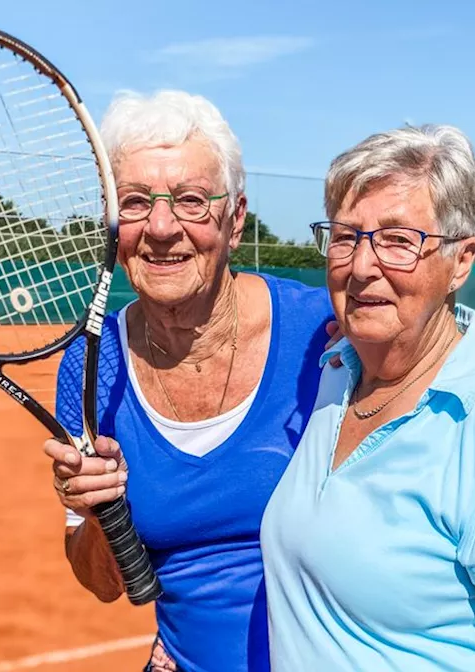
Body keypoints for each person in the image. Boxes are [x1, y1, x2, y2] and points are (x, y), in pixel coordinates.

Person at [259, 124, 475, 671]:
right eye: (345, 236)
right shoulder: (335, 374)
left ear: (461, 260)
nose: (363, 266)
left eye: (398, 240)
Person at [42, 89, 335, 672]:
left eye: (192, 200)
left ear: (235, 217)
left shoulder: (325, 335)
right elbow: (102, 581)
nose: (161, 227)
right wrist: (99, 513)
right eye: (133, 202)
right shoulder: (89, 367)